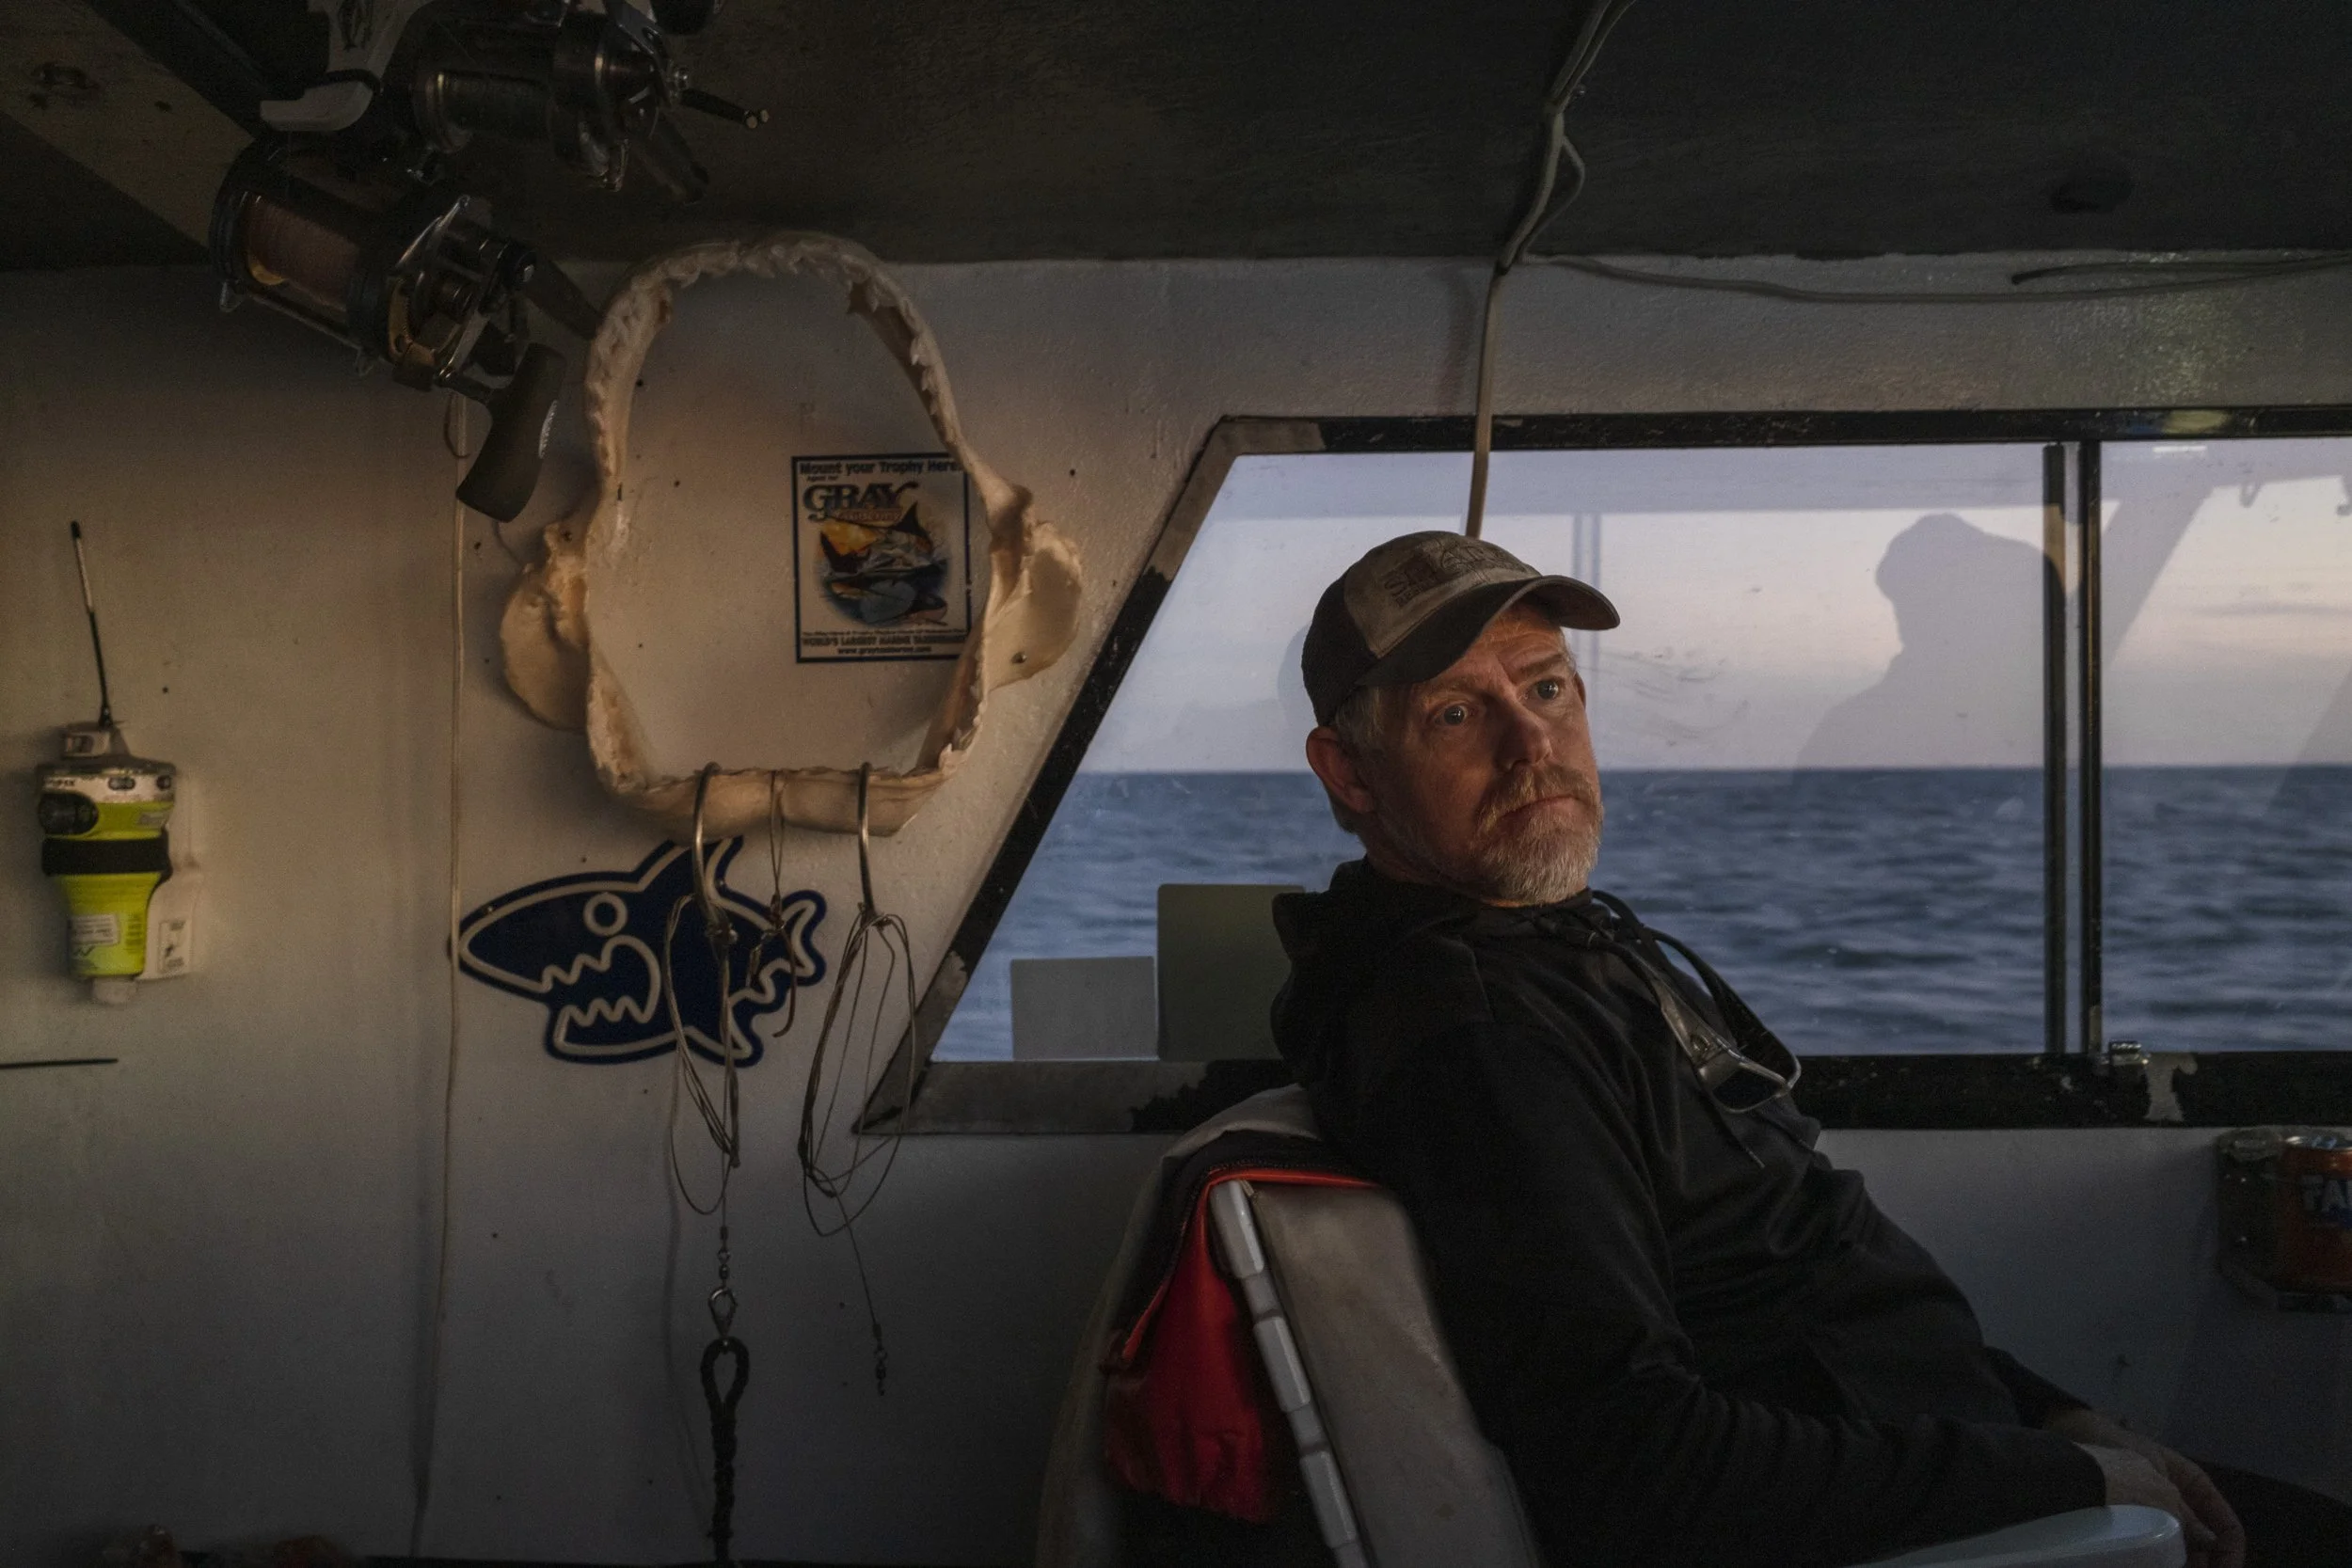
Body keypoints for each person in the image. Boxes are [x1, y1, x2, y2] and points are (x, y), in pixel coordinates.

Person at [1271, 531, 2351, 1568]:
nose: (1533, 743)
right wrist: (2062, 1479)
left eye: (1546, 687)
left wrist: (2062, 1418)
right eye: (1458, 712)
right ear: (1351, 773)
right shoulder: (1482, 1035)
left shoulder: (1542, 945)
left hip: (1948, 1452)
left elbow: (1791, 1260)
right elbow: (1632, 1463)